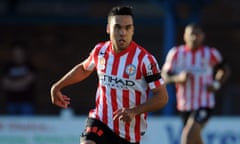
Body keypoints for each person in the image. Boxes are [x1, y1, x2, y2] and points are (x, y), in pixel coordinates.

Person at [50, 5, 168, 144]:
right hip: (100, 120)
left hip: (128, 133)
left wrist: (134, 111)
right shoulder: (100, 51)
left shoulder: (145, 60)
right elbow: (83, 68)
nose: (123, 32)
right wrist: (57, 86)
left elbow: (162, 97)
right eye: (117, 27)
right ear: (108, 29)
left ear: (133, 30)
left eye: (127, 28)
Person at [161, 23, 230, 144]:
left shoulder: (210, 53)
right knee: (195, 139)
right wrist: (178, 78)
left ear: (203, 36)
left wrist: (216, 84)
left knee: (188, 136)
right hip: (184, 105)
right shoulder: (176, 53)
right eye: (191, 34)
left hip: (204, 104)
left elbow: (225, 69)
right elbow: (164, 76)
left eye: (197, 34)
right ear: (185, 36)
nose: (194, 37)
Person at [1, 43, 36, 115]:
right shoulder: (7, 67)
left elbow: (29, 80)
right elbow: (4, 83)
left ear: (24, 53)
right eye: (15, 53)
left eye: (19, 53)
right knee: (11, 124)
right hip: (11, 102)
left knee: (28, 124)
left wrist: (13, 85)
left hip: (27, 102)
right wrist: (21, 84)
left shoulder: (30, 66)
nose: (17, 55)